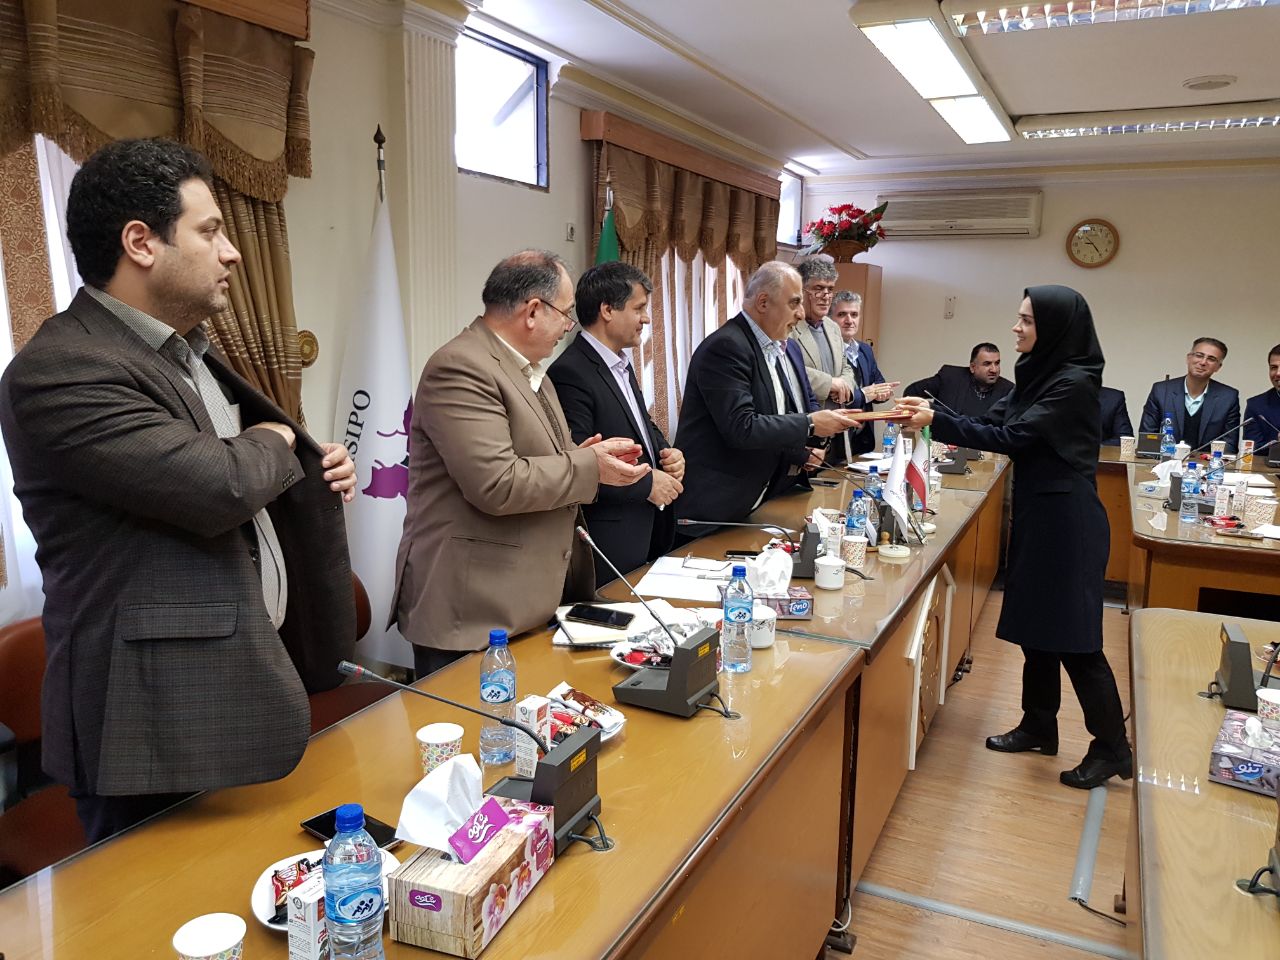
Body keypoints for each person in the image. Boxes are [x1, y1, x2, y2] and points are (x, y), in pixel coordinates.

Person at [0, 138, 359, 843]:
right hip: (151, 721)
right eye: (210, 231)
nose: (233, 253)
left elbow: (234, 476)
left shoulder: (189, 352)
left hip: (239, 684)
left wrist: (310, 467)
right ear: (141, 242)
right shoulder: (59, 370)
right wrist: (278, 441)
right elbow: (218, 484)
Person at [897, 286, 1131, 790]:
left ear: (1054, 328)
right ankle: (1039, 724)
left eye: (1026, 320)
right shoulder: (1039, 374)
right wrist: (933, 411)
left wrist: (936, 421)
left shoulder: (1073, 383)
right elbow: (988, 422)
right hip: (1039, 514)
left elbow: (1012, 439)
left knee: (1077, 641)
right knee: (1035, 628)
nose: (1016, 327)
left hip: (1068, 522)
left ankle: (1112, 747)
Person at [390, 251, 650, 676]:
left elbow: (543, 459)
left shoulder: (533, 372)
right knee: (476, 719)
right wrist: (588, 465)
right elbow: (496, 483)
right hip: (473, 610)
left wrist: (586, 456)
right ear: (532, 311)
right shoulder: (461, 366)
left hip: (526, 600)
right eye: (565, 314)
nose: (569, 326)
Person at [673, 261, 860, 529]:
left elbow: (781, 413)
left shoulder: (783, 347)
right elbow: (742, 427)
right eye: (794, 303)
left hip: (763, 497)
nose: (801, 314)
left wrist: (805, 449)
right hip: (715, 506)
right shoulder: (727, 347)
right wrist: (810, 424)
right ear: (763, 302)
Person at [547, 262, 684, 584]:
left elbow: (639, 423)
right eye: (639, 308)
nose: (646, 318)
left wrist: (666, 453)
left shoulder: (619, 363)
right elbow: (577, 461)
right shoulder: (571, 372)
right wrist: (647, 484)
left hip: (645, 530)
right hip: (607, 540)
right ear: (607, 310)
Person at [1138, 338, 1240, 453]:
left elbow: (1229, 445)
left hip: (1207, 462)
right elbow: (1147, 439)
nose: (1203, 362)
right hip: (1165, 461)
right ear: (1188, 358)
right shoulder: (1161, 391)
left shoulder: (1228, 397)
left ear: (1218, 367)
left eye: (1211, 359)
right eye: (1199, 355)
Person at [831, 290, 895, 456]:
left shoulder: (865, 349)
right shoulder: (827, 353)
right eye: (842, 314)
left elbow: (878, 382)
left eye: (854, 314)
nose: (849, 320)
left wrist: (883, 392)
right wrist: (866, 394)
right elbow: (835, 397)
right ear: (829, 319)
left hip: (862, 440)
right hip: (835, 439)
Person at [904, 342, 1013, 419]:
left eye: (997, 363)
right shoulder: (950, 378)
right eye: (987, 364)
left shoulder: (1009, 390)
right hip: (945, 441)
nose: (994, 370)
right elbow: (911, 392)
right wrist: (916, 424)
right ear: (972, 367)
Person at [1243, 344, 1280, 449]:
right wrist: (1277, 444)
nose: (1278, 373)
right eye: (1273, 368)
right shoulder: (1256, 406)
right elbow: (1252, 449)